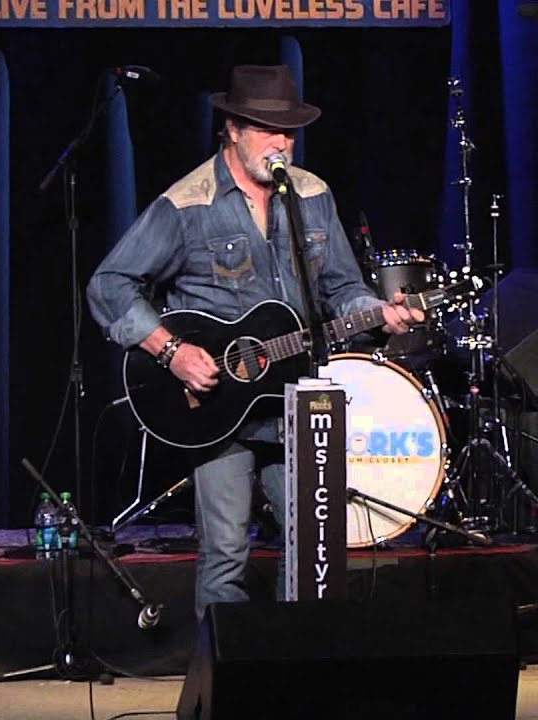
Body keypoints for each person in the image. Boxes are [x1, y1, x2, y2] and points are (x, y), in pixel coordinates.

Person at [86, 64, 423, 622]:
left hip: (299, 400)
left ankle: (303, 672)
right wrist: (172, 351)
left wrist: (380, 314)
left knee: (315, 549)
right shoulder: (188, 204)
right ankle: (220, 688)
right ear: (233, 130)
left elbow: (342, 288)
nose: (281, 143)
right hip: (220, 409)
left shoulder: (311, 195)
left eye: (288, 132)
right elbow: (109, 284)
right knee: (226, 554)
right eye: (268, 130)